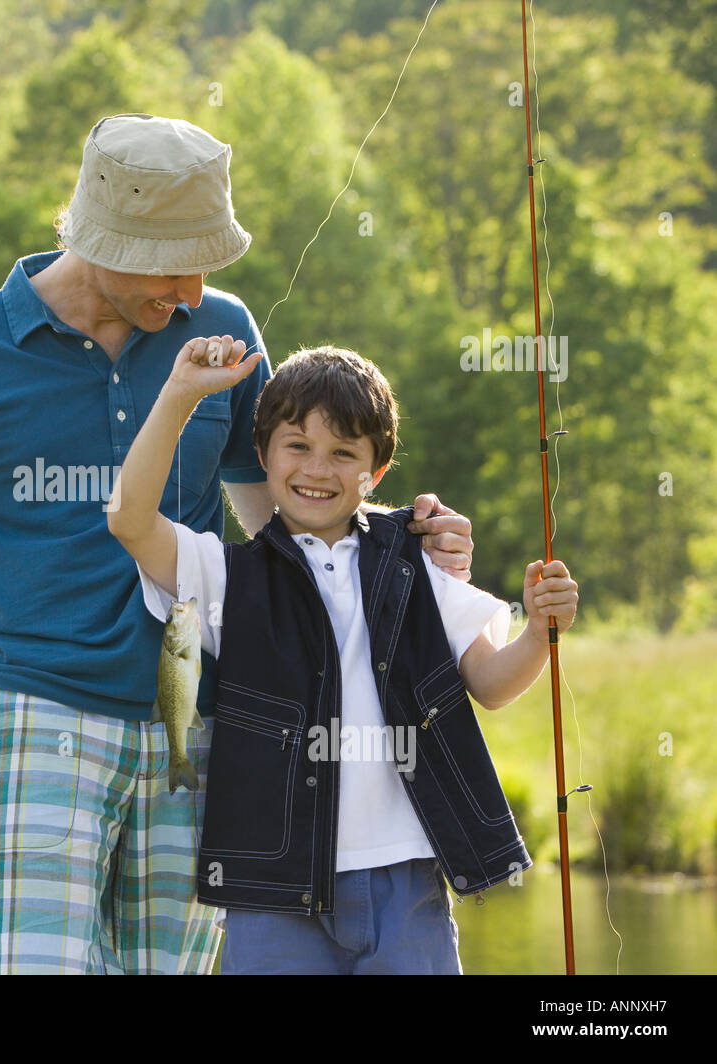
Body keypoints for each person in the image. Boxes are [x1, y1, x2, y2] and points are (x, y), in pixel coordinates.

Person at [0, 113, 479, 974]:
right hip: (39, 716)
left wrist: (403, 554)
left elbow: (283, 520)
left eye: (206, 262)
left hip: (194, 725)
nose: (194, 289)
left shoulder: (223, 330)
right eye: (173, 262)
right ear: (99, 240)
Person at [108, 338, 578, 974]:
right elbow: (130, 519)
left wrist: (539, 632)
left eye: (344, 453)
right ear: (263, 454)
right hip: (271, 888)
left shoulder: (418, 564)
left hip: (407, 876)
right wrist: (179, 396)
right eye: (297, 446)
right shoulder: (224, 576)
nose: (318, 469)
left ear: (375, 472)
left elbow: (491, 681)